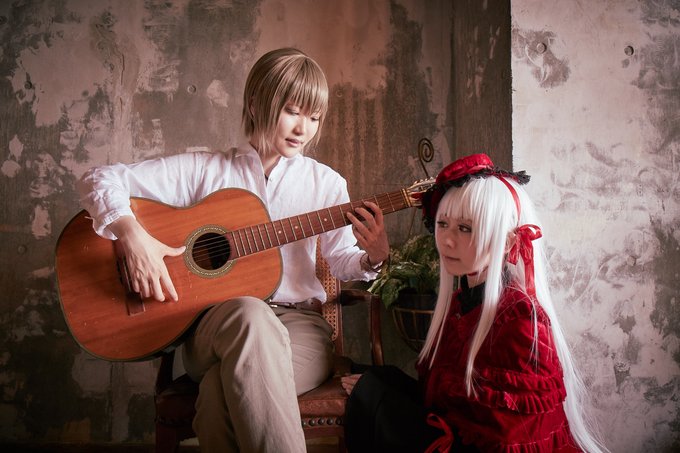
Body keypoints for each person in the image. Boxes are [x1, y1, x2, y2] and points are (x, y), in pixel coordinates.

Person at [77, 48, 390, 452]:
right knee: (249, 313)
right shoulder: (205, 171)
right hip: (214, 328)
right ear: (256, 103)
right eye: (292, 111)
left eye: (314, 117)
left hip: (300, 329)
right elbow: (99, 178)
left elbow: (344, 262)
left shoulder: (326, 184)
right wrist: (131, 236)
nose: (303, 129)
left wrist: (373, 256)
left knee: (217, 395)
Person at [341, 153, 607, 452]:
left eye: (466, 228)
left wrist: (376, 399)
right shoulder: (460, 304)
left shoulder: (520, 321)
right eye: (443, 224)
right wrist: (380, 383)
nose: (448, 240)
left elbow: (501, 443)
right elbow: (448, 409)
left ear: (508, 242)